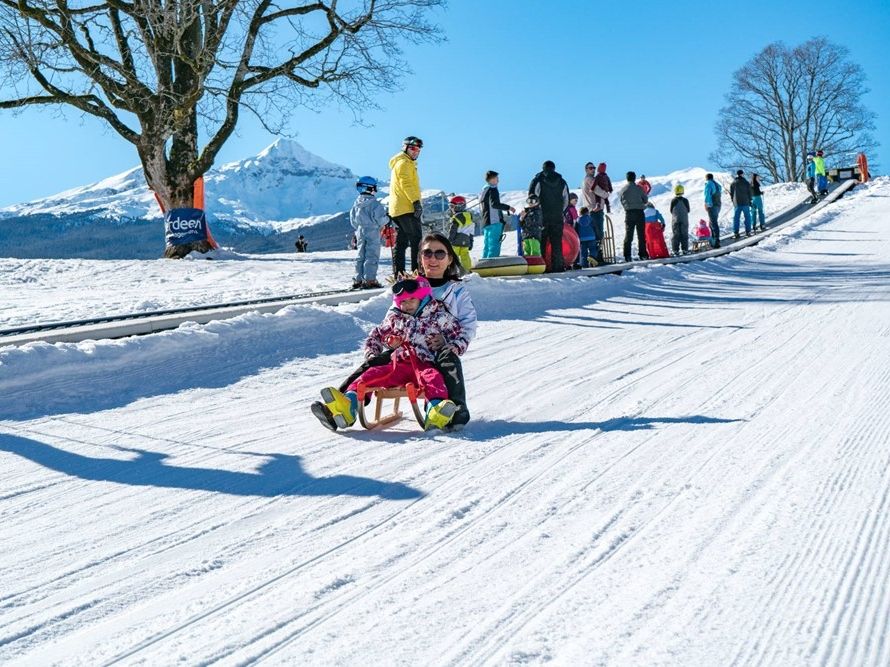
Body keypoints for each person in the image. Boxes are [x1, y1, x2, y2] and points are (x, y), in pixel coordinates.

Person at [310, 275, 465, 432]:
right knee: (370, 375)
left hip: (424, 364)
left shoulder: (439, 317)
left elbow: (460, 335)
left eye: (411, 299)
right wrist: (373, 352)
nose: (407, 305)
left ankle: (434, 411)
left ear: (423, 298)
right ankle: (348, 406)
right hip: (397, 364)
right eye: (402, 301)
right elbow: (375, 335)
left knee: (434, 379)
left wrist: (446, 342)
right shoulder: (395, 319)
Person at [388, 135, 424, 276]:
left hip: (399, 209)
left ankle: (399, 273)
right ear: (405, 148)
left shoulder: (403, 162)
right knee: (416, 239)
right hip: (407, 207)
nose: (416, 151)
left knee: (402, 242)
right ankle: (418, 272)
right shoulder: (404, 163)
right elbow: (406, 184)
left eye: (418, 149)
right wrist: (415, 201)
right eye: (413, 148)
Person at [529, 160, 570, 272]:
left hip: (542, 217)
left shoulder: (538, 180)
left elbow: (533, 198)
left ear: (543, 168)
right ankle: (558, 267)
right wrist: (561, 212)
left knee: (541, 243)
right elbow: (566, 200)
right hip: (557, 217)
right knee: (556, 244)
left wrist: (535, 212)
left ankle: (542, 268)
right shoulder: (562, 182)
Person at [349, 176, 388, 289]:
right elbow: (380, 219)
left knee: (361, 254)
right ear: (370, 188)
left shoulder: (356, 204)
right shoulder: (375, 204)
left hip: (360, 230)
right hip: (373, 230)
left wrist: (359, 227)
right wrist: (387, 219)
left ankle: (358, 279)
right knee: (372, 255)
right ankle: (370, 279)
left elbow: (353, 220)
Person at [479, 170, 515, 258]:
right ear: (492, 179)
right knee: (494, 244)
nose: (498, 181)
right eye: (496, 178)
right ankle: (492, 263)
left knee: (487, 245)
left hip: (486, 222)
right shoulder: (493, 189)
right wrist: (508, 207)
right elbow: (495, 204)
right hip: (494, 221)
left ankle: (485, 263)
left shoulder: (483, 191)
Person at [619, 170, 649, 262]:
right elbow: (645, 199)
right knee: (641, 235)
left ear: (627, 178)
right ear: (634, 178)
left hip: (629, 213)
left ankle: (627, 255)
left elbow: (621, 200)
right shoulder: (639, 188)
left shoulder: (623, 189)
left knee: (629, 235)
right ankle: (643, 254)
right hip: (639, 212)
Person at [447, 195, 474, 273]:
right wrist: (471, 242)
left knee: (453, 256)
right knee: (465, 256)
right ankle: (467, 270)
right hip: (466, 241)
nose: (451, 208)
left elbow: (453, 230)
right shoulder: (470, 218)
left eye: (452, 206)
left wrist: (449, 241)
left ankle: (452, 271)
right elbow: (471, 232)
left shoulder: (455, 218)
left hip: (456, 240)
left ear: (459, 206)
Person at [730, 169, 753, 239]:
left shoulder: (733, 183)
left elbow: (732, 193)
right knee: (747, 217)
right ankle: (748, 231)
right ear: (742, 174)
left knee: (736, 218)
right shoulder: (746, 182)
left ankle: (736, 233)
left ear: (737, 175)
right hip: (745, 202)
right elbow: (750, 192)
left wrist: (733, 200)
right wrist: (750, 200)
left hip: (737, 203)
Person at [669, 184, 691, 255]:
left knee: (676, 235)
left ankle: (675, 250)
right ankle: (685, 250)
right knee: (684, 234)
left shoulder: (673, 200)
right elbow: (688, 210)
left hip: (675, 220)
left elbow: (671, 210)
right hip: (684, 220)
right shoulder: (685, 200)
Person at [704, 173, 722, 248]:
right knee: (712, 222)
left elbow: (707, 195)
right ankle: (714, 239)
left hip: (712, 206)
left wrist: (706, 204)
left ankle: (716, 240)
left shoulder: (708, 184)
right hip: (718, 205)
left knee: (713, 223)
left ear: (706, 178)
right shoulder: (717, 184)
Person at [564, 192, 580, 268]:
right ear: (570, 200)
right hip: (572, 230)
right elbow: (576, 218)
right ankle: (575, 262)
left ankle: (567, 263)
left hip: (566, 230)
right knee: (575, 246)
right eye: (575, 200)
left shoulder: (565, 208)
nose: (576, 202)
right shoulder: (572, 208)